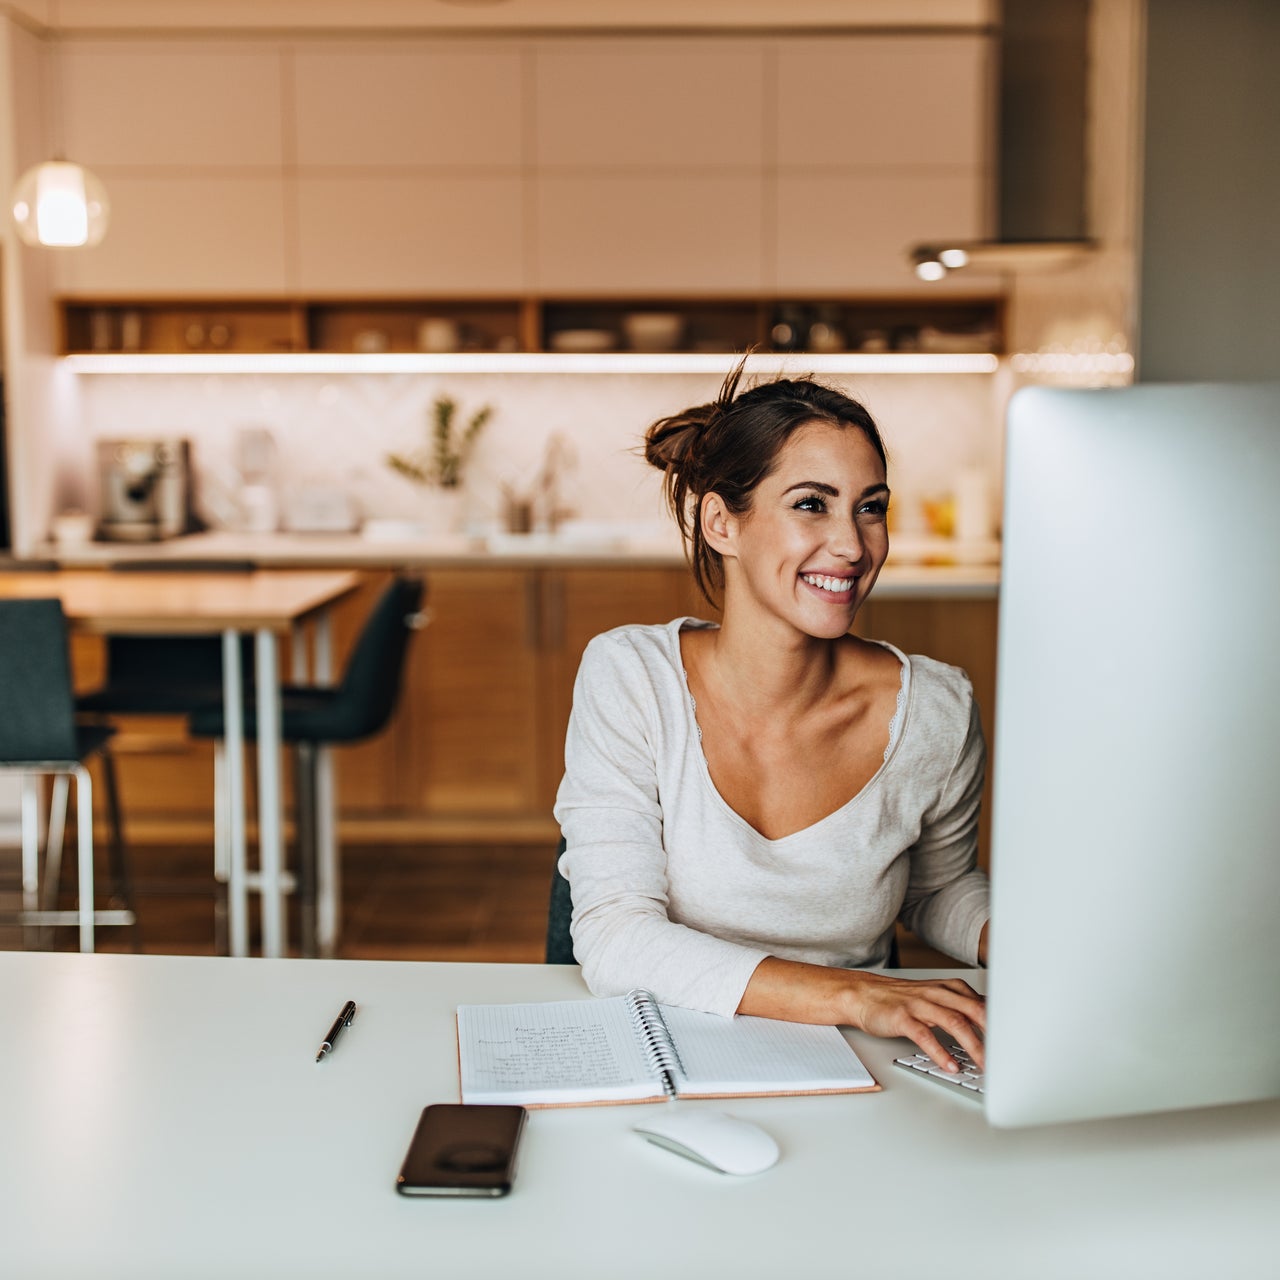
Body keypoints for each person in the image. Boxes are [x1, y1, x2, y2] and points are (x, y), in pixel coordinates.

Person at [553, 363, 990, 1074]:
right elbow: (615, 937)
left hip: (866, 1064)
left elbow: (937, 886)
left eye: (870, 506)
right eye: (812, 504)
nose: (853, 546)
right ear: (722, 522)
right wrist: (855, 994)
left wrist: (1023, 937)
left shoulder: (936, 711)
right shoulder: (633, 679)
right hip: (670, 1049)